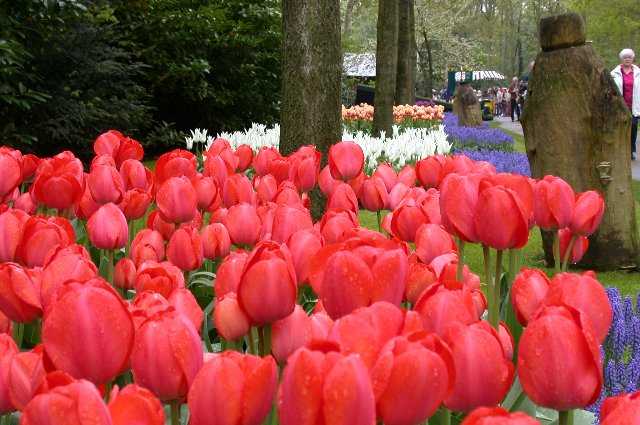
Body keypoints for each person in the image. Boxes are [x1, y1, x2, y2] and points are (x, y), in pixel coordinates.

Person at [611, 48, 640, 160]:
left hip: (634, 105)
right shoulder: (614, 73)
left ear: (633, 59)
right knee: (619, 128)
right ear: (621, 59)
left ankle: (631, 150)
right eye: (625, 57)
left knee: (633, 127)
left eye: (629, 57)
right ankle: (619, 150)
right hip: (620, 106)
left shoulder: (638, 73)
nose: (627, 59)